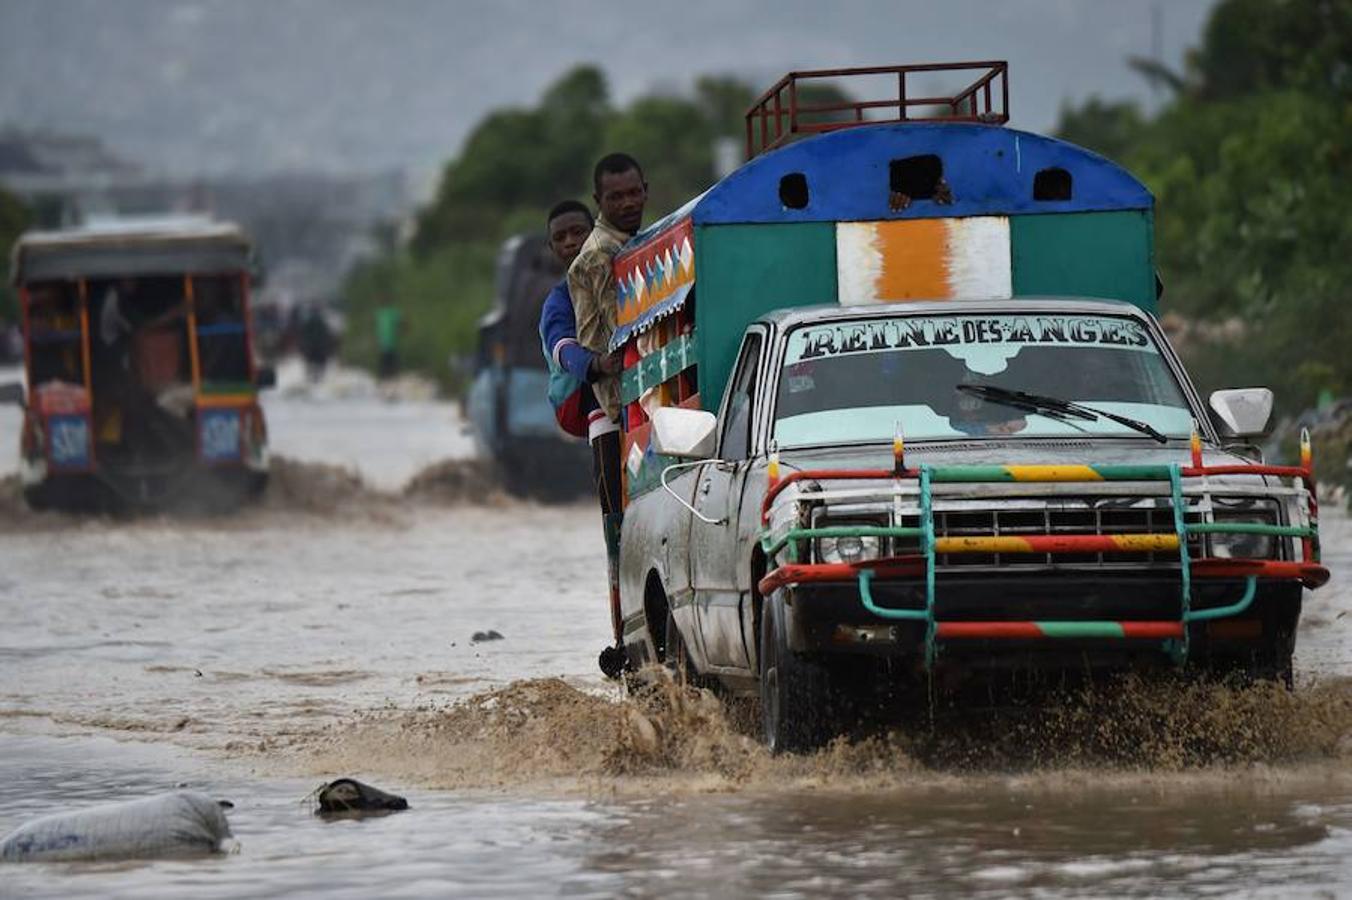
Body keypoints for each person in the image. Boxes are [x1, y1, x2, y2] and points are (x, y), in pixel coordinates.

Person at [566, 154, 648, 676]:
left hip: (637, 411)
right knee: (625, 535)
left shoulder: (635, 246)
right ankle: (627, 641)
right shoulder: (598, 257)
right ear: (601, 201)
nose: (626, 203)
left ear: (646, 189)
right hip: (619, 417)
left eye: (633, 192)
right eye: (615, 197)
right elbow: (606, 346)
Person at [375, 300, 403, 379]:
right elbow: (401, 323)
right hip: (390, 342)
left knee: (385, 361)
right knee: (390, 361)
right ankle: (390, 376)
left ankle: (385, 376)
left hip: (384, 343)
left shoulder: (381, 313)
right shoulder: (392, 313)